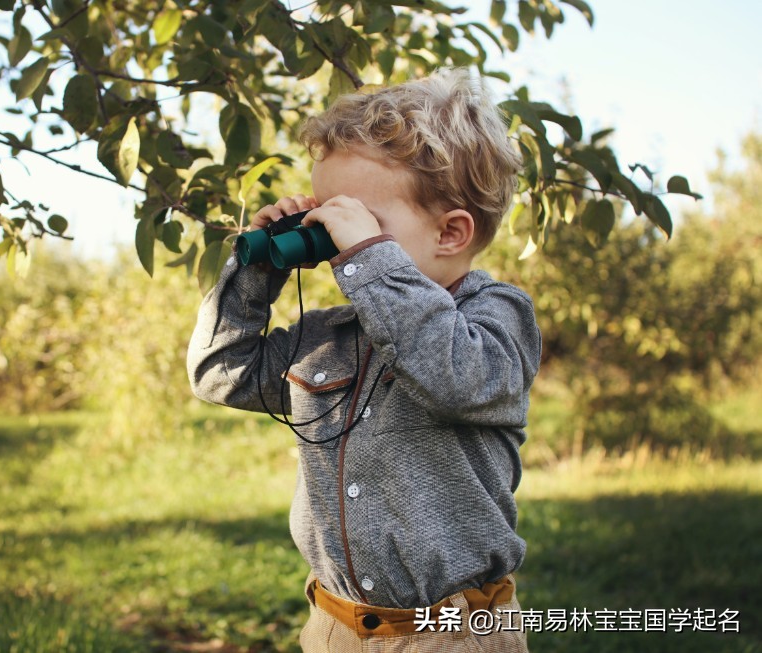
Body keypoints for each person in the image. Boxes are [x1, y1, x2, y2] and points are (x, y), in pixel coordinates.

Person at [186, 67, 541, 652]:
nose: (334, 240)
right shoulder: (328, 335)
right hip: (334, 626)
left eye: (359, 222)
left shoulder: (498, 317)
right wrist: (257, 271)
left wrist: (369, 258)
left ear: (451, 232)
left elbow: (454, 377)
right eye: (326, 216)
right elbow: (219, 373)